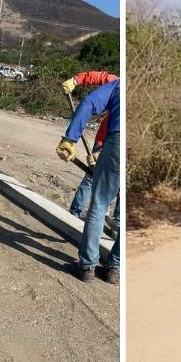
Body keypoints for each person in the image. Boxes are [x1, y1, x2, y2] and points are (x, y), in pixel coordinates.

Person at [56, 79, 120, 284]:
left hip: (118, 142)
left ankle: (87, 266)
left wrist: (70, 138)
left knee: (100, 205)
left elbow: (89, 103)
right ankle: (114, 269)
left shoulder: (119, 84)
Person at [62, 71, 118, 219]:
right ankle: (75, 213)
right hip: (104, 141)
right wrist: (75, 80)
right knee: (91, 177)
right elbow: (96, 77)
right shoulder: (116, 83)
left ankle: (117, 221)